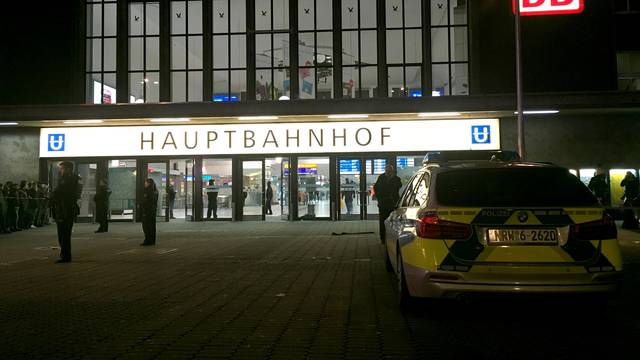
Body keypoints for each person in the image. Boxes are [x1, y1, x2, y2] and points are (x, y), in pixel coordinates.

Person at [51, 161, 82, 263]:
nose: (61, 170)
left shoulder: (68, 179)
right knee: (65, 233)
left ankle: (65, 256)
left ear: (68, 169)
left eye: (62, 168)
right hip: (68, 208)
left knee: (63, 233)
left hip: (65, 208)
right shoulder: (75, 179)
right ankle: (65, 255)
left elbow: (59, 192)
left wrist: (52, 198)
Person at [374, 164, 402, 244]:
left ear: (392, 171)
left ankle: (391, 238)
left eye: (389, 171)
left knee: (393, 221)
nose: (388, 172)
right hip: (383, 204)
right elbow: (376, 188)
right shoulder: (381, 178)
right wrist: (379, 198)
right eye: (387, 171)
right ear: (385, 170)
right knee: (383, 221)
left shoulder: (396, 179)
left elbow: (399, 186)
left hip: (393, 204)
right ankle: (383, 238)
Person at [141, 178, 159, 246]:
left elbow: (145, 202)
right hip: (153, 211)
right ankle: (152, 240)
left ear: (148, 183)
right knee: (152, 226)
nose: (144, 184)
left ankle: (147, 240)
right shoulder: (156, 191)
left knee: (146, 226)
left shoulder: (148, 191)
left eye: (145, 183)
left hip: (147, 211)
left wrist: (142, 205)